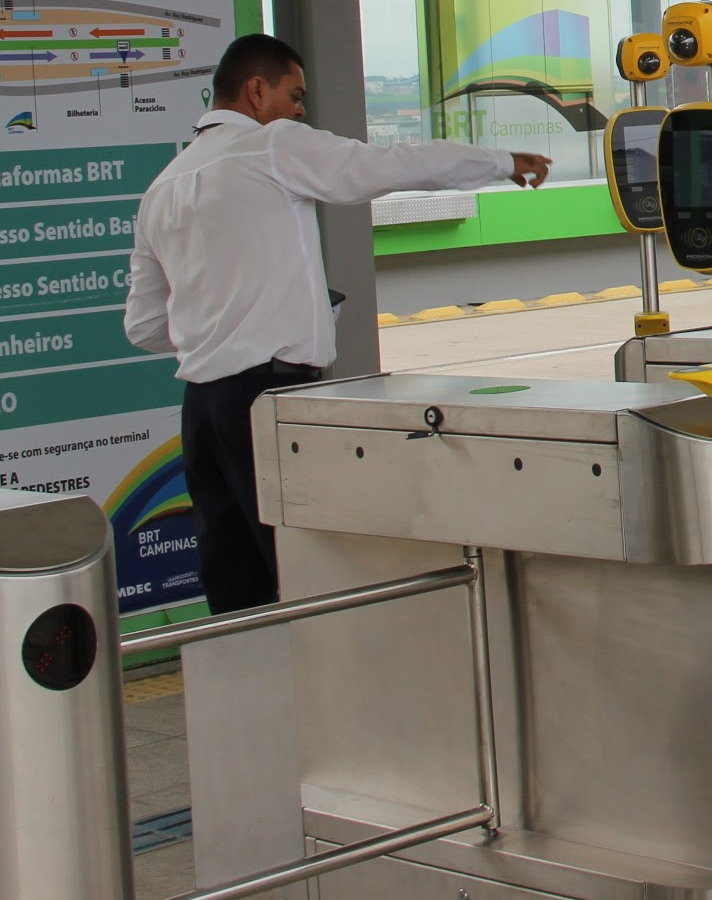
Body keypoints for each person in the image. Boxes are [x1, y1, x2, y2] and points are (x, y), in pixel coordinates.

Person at [124, 33, 551, 613]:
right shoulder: (271, 147)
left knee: (234, 587)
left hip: (202, 408)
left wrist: (221, 324)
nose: (301, 110)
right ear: (256, 91)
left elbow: (146, 324)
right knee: (306, 570)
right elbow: (386, 166)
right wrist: (501, 161)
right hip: (269, 398)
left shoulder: (163, 186)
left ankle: (251, 700)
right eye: (294, 95)